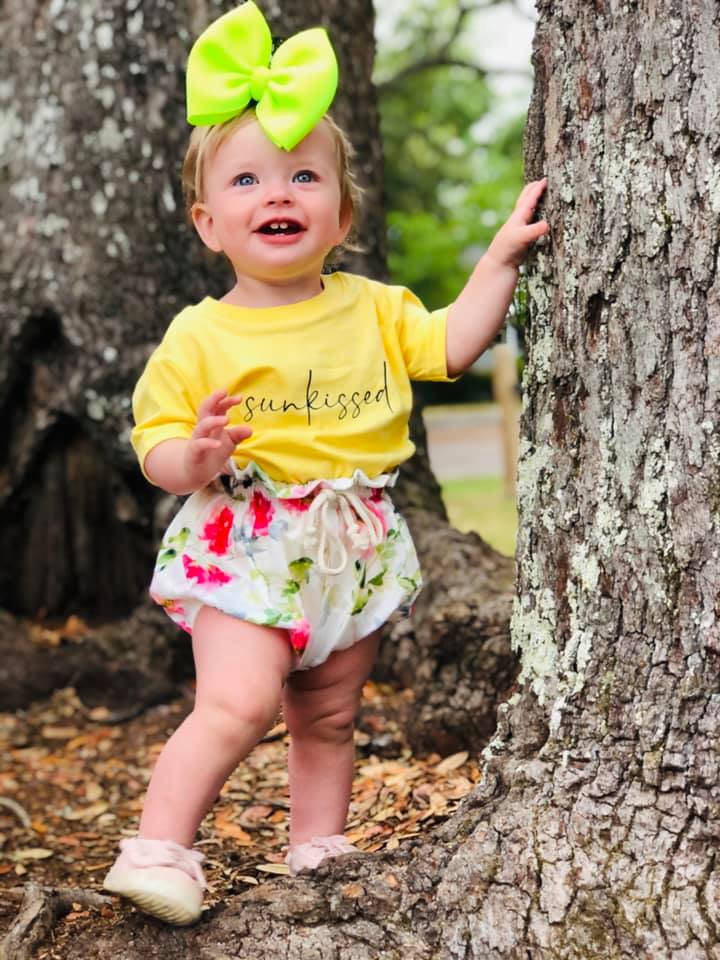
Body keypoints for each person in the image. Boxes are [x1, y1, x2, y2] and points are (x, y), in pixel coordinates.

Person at [103, 0, 549, 926]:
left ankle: (317, 846)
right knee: (238, 703)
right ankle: (159, 846)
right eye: (249, 181)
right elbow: (153, 447)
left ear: (341, 212)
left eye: (305, 176)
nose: (279, 194)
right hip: (247, 538)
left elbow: (452, 346)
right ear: (207, 223)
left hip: (353, 540)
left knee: (331, 715)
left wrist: (500, 259)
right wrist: (197, 454)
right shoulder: (200, 334)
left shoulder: (374, 307)